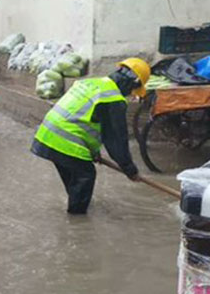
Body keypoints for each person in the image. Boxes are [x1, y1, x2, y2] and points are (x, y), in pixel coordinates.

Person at [31, 58, 151, 214]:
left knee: (77, 177)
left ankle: (75, 207)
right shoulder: (113, 99)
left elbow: (83, 120)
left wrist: (93, 152)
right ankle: (77, 223)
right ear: (133, 82)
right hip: (64, 142)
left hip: (46, 135)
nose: (129, 95)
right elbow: (115, 141)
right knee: (86, 175)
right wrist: (130, 169)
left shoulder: (93, 83)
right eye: (132, 92)